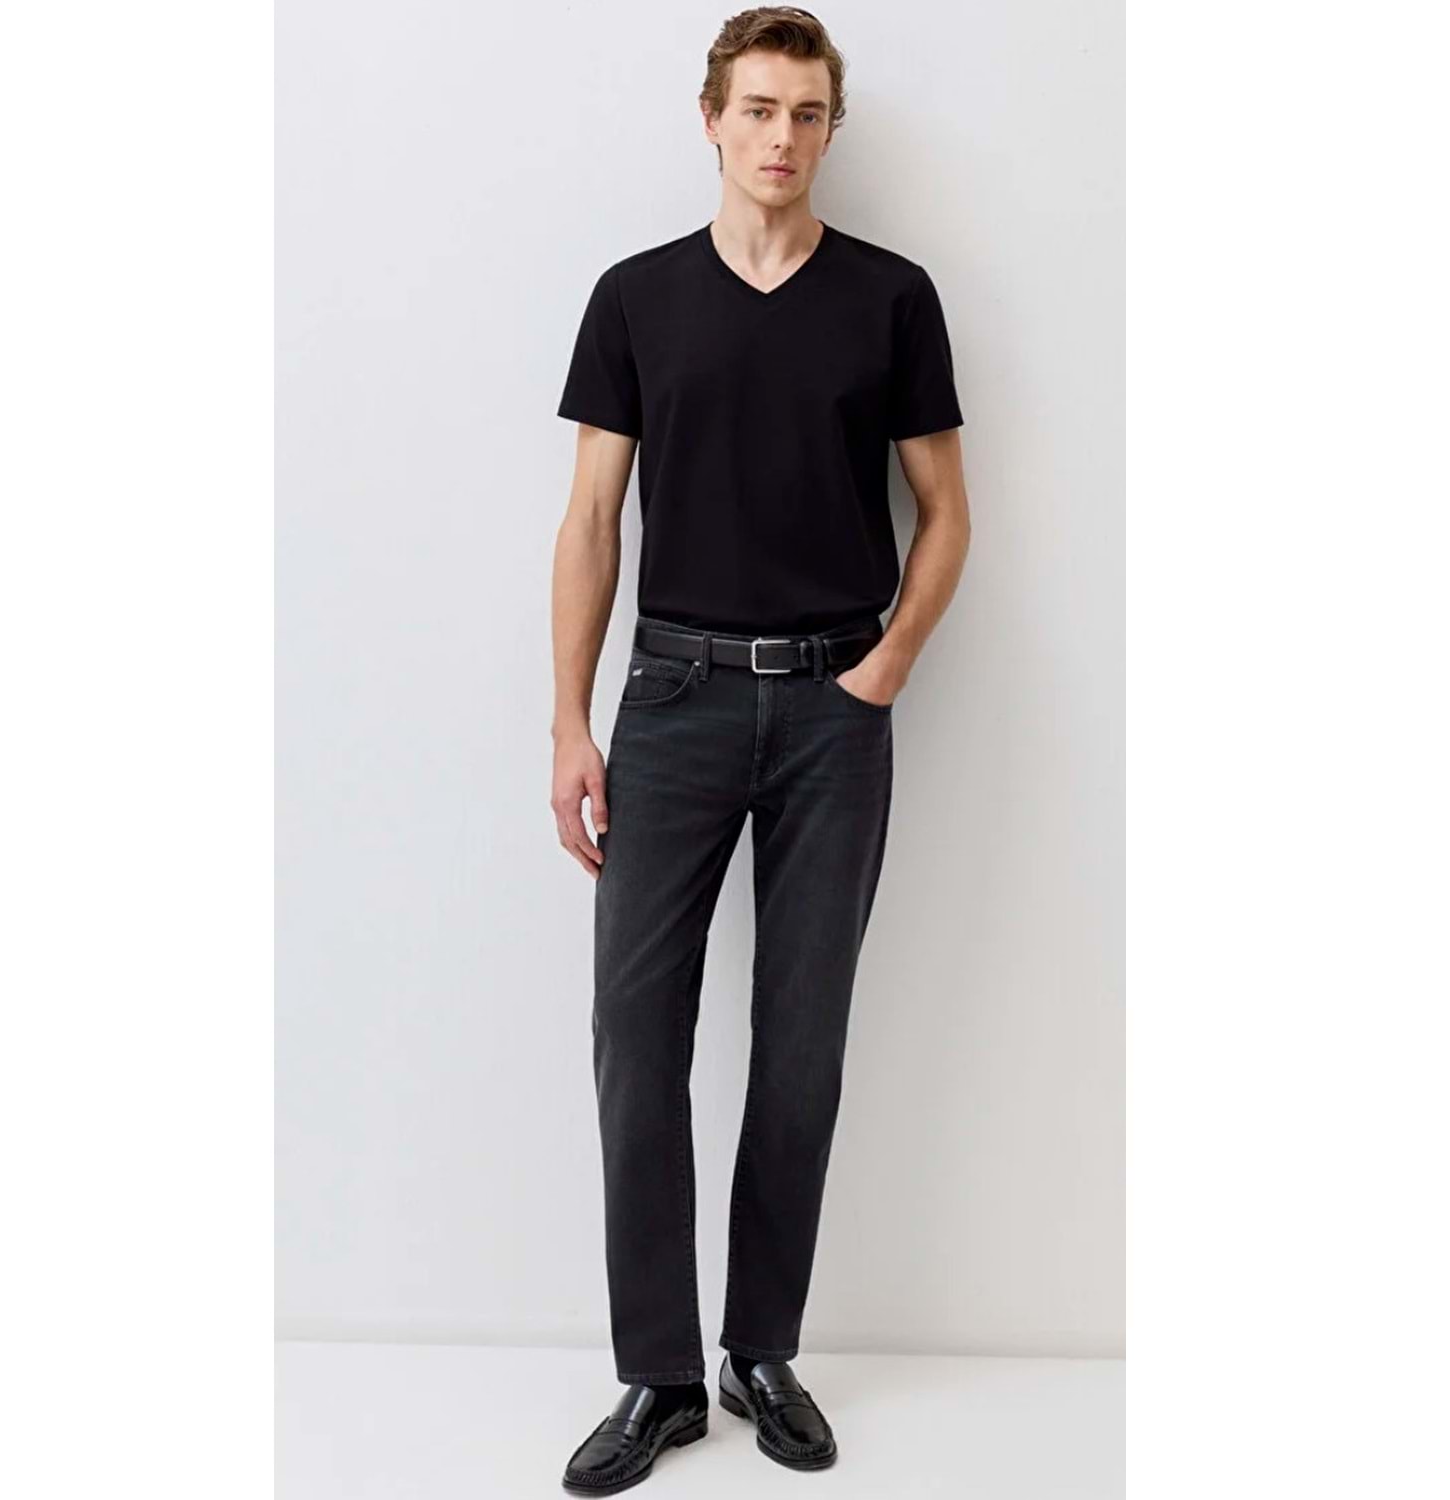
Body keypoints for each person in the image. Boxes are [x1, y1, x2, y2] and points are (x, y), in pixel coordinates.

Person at [550, 8, 971, 1490]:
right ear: (712, 119)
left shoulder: (892, 299)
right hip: (670, 702)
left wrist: (883, 671)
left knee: (801, 1046)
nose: (780, 137)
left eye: (806, 113)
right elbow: (591, 522)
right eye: (757, 109)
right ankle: (660, 1377)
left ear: (829, 129)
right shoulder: (636, 298)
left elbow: (948, 512)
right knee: (636, 1040)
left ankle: (761, 1350)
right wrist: (570, 722)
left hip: (831, 713)